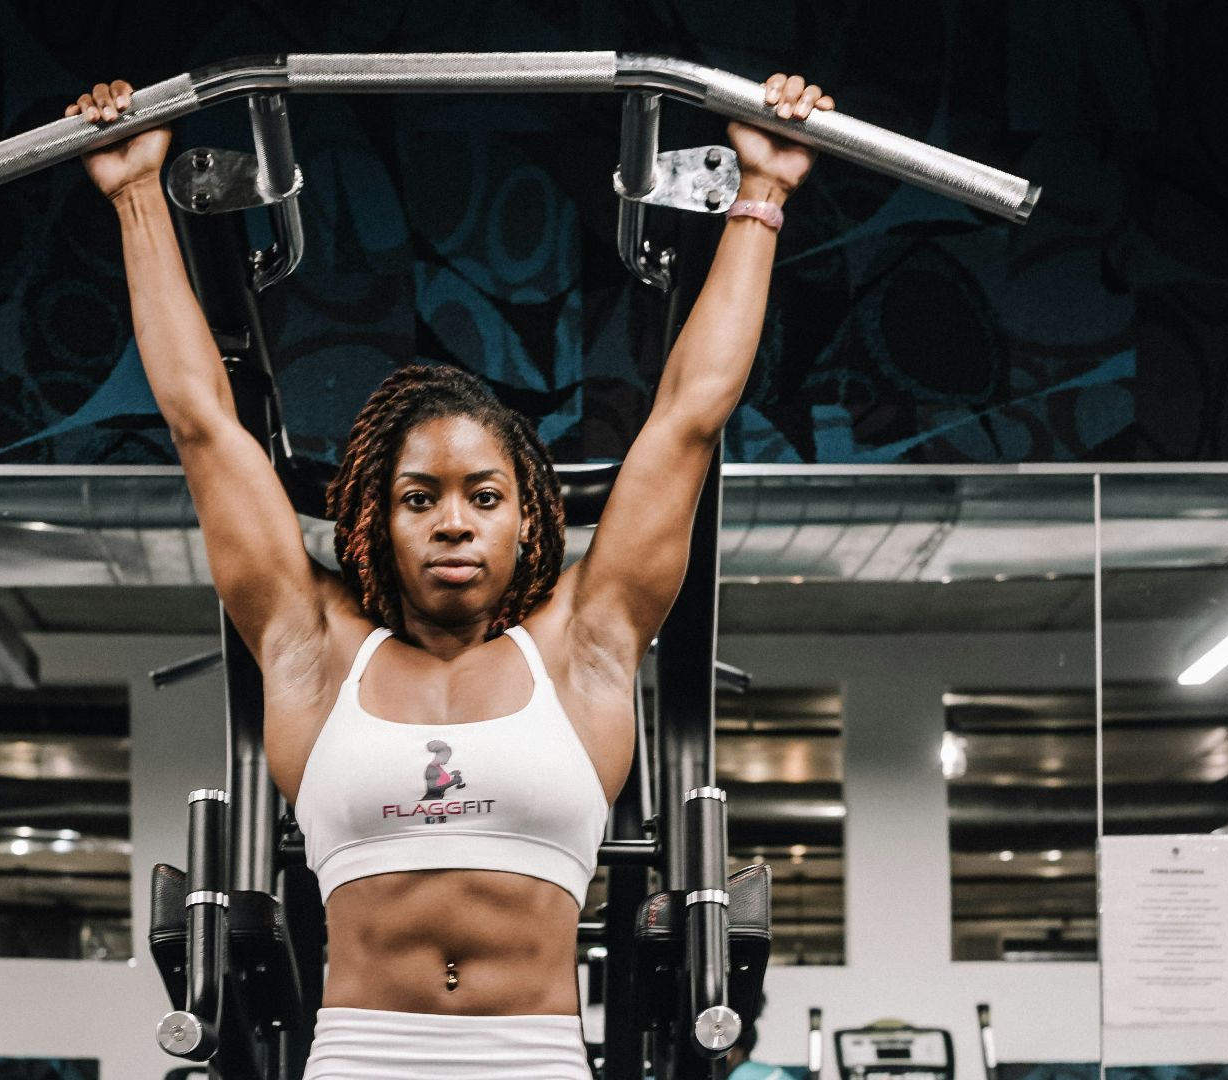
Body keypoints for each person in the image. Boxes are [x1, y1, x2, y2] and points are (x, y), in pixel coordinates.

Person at [68, 70, 832, 1080]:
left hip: (536, 1062)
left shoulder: (585, 646)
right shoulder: (313, 648)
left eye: (483, 495)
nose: (453, 524)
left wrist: (763, 196)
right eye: (419, 499)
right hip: (359, 1061)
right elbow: (204, 426)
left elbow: (690, 413)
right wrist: (134, 196)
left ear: (532, 521)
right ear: (373, 524)